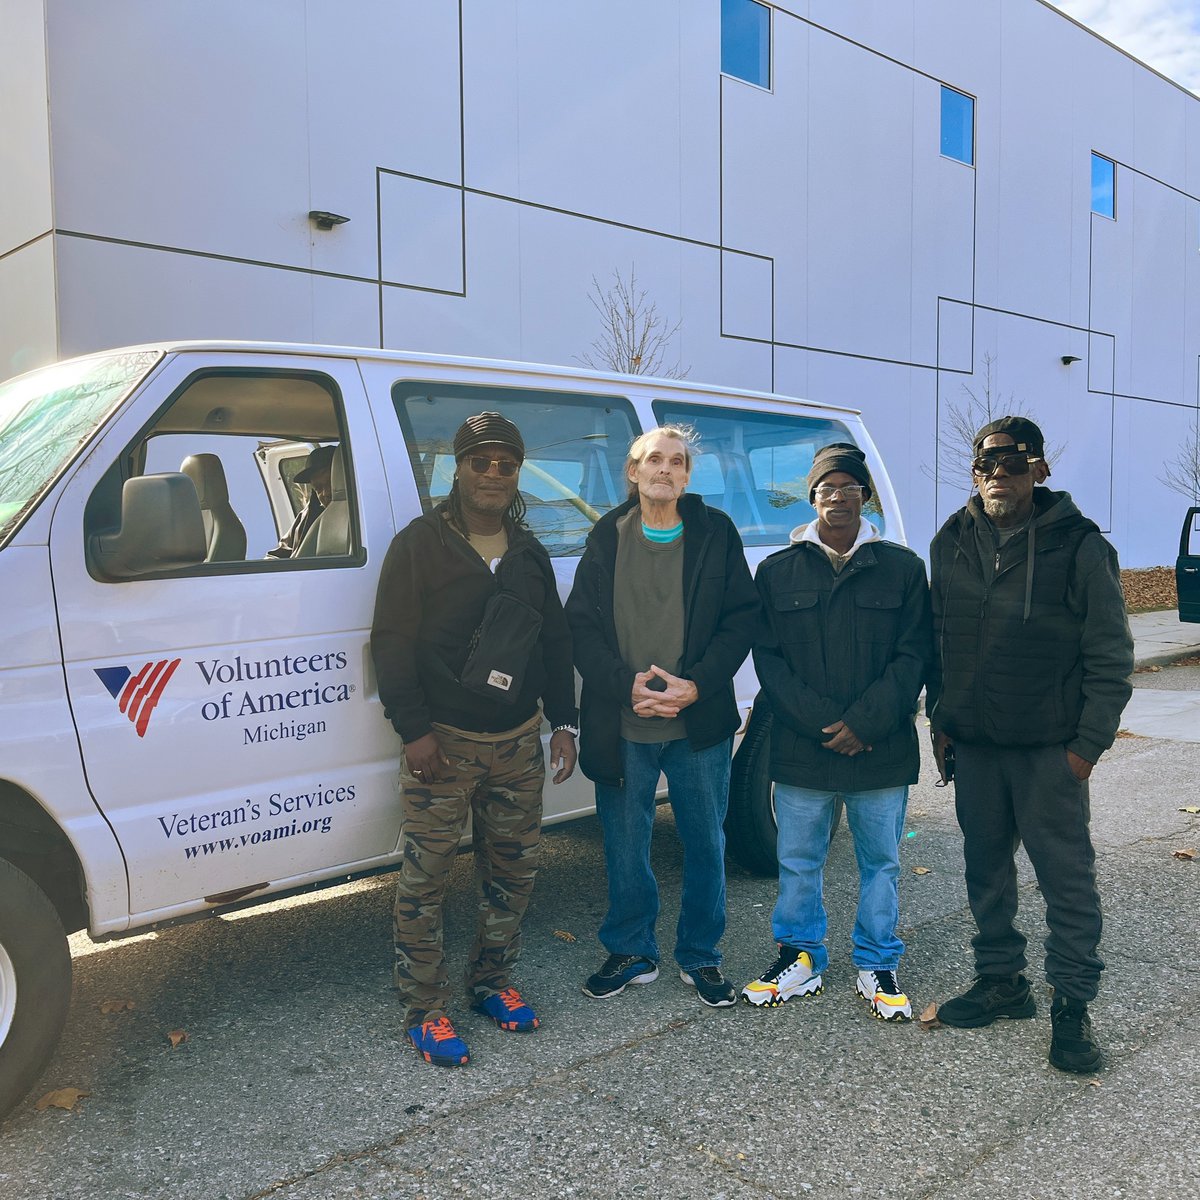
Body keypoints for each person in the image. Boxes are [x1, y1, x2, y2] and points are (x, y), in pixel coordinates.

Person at [371, 412, 578, 1068]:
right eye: (479, 461)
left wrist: (564, 722)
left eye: (505, 464)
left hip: (517, 743)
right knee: (425, 879)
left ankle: (491, 982)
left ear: (517, 474)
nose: (492, 474)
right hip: (445, 746)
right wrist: (415, 732)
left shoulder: (529, 552)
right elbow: (391, 641)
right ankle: (425, 1008)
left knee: (512, 872)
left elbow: (554, 640)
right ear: (455, 469)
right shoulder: (419, 545)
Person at [928, 416, 1133, 1073]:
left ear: (1040, 471)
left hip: (1050, 752)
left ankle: (1071, 1008)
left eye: (1014, 464)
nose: (998, 475)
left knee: (1066, 883)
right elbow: (940, 640)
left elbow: (1110, 655)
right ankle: (1002, 983)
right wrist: (943, 718)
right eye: (986, 464)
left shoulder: (1079, 545)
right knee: (986, 873)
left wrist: (1087, 746)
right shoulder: (950, 541)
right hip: (978, 749)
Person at [565, 425, 759, 1008]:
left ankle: (701, 955)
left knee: (706, 844)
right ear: (633, 470)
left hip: (696, 722)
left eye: (677, 462)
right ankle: (631, 950)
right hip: (625, 721)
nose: (665, 470)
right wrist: (624, 686)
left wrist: (696, 686)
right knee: (626, 843)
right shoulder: (606, 534)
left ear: (687, 476)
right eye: (655, 460)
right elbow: (582, 625)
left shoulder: (714, 533)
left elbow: (740, 619)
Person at [743, 444, 932, 1019]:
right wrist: (824, 723)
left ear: (865, 497)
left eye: (851, 487)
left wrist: (863, 723)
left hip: (880, 748)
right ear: (812, 497)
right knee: (799, 860)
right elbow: (769, 660)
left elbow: (914, 654)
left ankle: (876, 963)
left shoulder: (902, 568)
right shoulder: (777, 571)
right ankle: (800, 958)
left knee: (882, 863)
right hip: (805, 747)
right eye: (828, 487)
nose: (839, 497)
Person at [266, 444, 335, 558]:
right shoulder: (307, 515)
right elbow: (281, 552)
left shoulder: (360, 517)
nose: (325, 493)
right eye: (318, 488)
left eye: (330, 483)